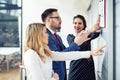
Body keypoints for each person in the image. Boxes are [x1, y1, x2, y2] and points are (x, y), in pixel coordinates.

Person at [23, 23, 105, 80]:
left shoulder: (44, 52)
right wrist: (54, 78)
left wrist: (91, 53)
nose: (47, 35)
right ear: (37, 36)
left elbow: (66, 55)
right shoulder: (31, 54)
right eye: (45, 32)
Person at [41, 8, 89, 80]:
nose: (60, 20)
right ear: (48, 20)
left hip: (61, 76)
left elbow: (66, 53)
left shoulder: (57, 37)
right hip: (53, 76)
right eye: (57, 18)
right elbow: (58, 56)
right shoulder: (45, 36)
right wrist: (76, 43)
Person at [67, 14, 102, 80]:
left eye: (80, 23)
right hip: (75, 67)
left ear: (84, 25)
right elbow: (76, 45)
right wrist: (88, 32)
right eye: (75, 23)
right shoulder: (70, 37)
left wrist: (98, 26)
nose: (77, 25)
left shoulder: (88, 35)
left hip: (87, 67)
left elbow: (96, 33)